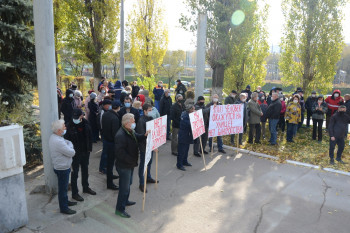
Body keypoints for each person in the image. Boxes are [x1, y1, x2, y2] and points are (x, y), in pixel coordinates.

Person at [114, 113, 149, 218]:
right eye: (133, 121)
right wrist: (131, 160)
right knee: (124, 188)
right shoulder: (120, 135)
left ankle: (125, 201)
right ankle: (120, 209)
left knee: (128, 184)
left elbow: (137, 136)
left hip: (130, 164)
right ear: (127, 123)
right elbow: (120, 154)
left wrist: (144, 135)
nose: (134, 123)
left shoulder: (130, 131)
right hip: (124, 166)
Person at [65, 109, 96, 202]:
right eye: (74, 117)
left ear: (81, 116)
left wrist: (89, 148)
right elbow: (66, 141)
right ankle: (75, 193)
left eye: (77, 117)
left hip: (85, 152)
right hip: (75, 153)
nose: (75, 119)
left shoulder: (86, 123)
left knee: (85, 170)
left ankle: (86, 187)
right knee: (75, 173)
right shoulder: (69, 125)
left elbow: (89, 137)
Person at [49, 119, 76, 215]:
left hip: (61, 166)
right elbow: (72, 152)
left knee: (63, 188)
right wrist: (71, 145)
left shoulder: (55, 136)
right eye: (64, 126)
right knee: (63, 189)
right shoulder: (58, 141)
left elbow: (67, 142)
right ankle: (64, 208)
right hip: (62, 168)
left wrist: (68, 144)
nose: (65, 127)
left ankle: (65, 202)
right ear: (59, 130)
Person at [136, 103, 158, 193]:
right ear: (144, 111)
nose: (151, 112)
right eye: (149, 110)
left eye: (151, 110)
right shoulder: (141, 121)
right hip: (144, 147)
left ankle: (148, 177)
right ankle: (141, 183)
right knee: (143, 165)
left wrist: (154, 145)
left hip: (150, 146)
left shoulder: (150, 118)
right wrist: (147, 146)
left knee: (149, 163)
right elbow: (142, 136)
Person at [101, 100, 121, 190]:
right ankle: (110, 183)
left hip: (106, 140)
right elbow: (115, 134)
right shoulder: (115, 118)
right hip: (112, 143)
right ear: (118, 107)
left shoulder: (106, 114)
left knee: (109, 162)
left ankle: (110, 176)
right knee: (110, 163)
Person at [177, 104, 195, 171]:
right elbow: (190, 124)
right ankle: (179, 164)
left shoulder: (188, 114)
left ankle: (185, 161)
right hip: (183, 135)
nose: (194, 110)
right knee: (181, 150)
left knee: (186, 149)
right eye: (193, 109)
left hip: (187, 135)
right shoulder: (184, 116)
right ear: (189, 110)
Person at [97, 99, 112, 174]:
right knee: (105, 152)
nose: (110, 106)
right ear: (104, 105)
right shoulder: (102, 113)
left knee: (107, 152)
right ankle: (102, 168)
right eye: (108, 105)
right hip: (104, 134)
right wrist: (103, 132)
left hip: (106, 134)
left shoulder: (107, 111)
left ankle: (105, 167)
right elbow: (100, 125)